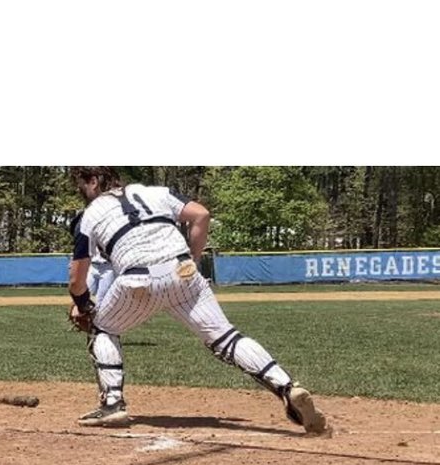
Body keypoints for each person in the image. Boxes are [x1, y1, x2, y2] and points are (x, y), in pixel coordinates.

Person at [67, 168, 326, 433]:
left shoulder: (90, 215)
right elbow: (201, 214)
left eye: (81, 185)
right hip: (183, 272)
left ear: (94, 181)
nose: (80, 192)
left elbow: (77, 278)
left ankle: (113, 404)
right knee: (226, 337)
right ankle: (287, 387)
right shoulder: (155, 192)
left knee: (103, 328)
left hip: (137, 280)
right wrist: (193, 258)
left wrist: (83, 303)